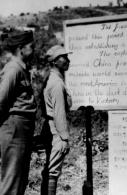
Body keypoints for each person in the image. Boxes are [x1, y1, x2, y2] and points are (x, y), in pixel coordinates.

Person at [0, 31, 37, 195]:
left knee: (19, 180)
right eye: (32, 46)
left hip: (22, 128)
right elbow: (0, 101)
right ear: (21, 48)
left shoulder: (22, 68)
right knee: (12, 180)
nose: (34, 49)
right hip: (15, 127)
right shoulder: (13, 69)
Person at [41, 45, 72, 195]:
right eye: (63, 58)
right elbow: (59, 113)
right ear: (54, 62)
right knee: (53, 172)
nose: (67, 60)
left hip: (49, 126)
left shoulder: (50, 78)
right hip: (56, 130)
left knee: (50, 168)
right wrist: (64, 138)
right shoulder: (57, 83)